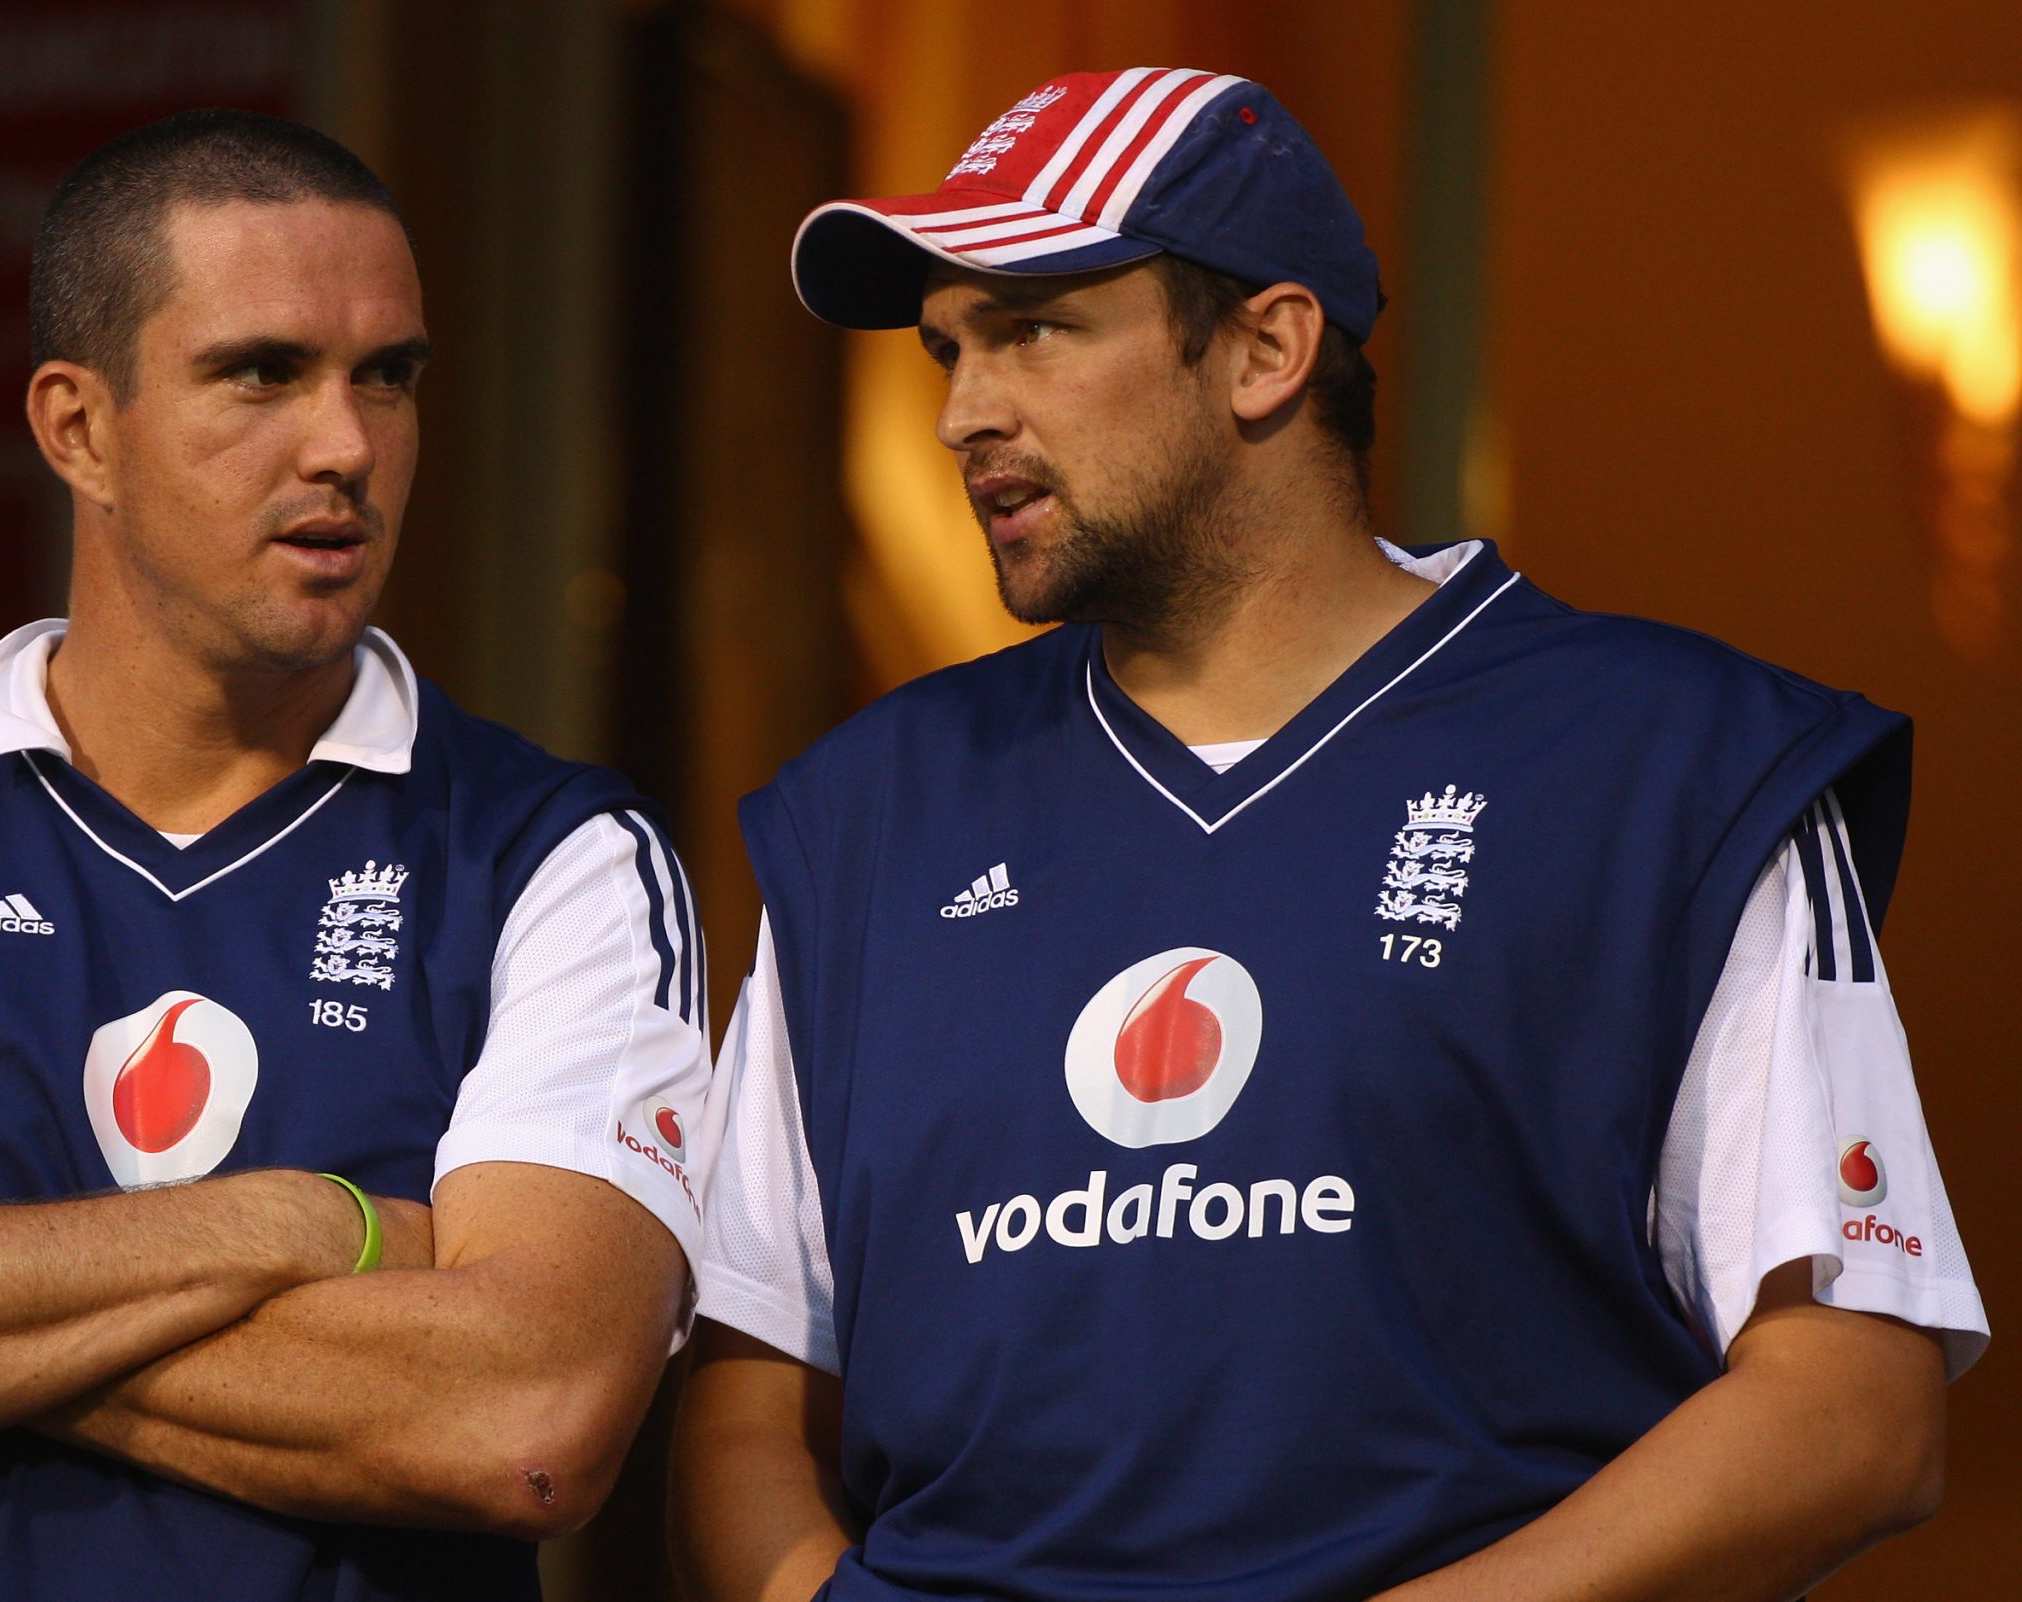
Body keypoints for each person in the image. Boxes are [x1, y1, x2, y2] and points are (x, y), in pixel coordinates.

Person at [671, 67, 1987, 1602]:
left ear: (1267, 348)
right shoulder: (869, 813)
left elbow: (1856, 1402)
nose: (964, 410)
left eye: (1032, 328)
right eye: (948, 346)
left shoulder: (1669, 765)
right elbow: (752, 1394)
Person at [0, 109, 711, 1602]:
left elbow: (523, 1420)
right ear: (79, 428)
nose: (346, 445)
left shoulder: (557, 853)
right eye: (263, 373)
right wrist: (307, 1226)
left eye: (390, 377)